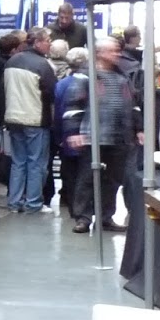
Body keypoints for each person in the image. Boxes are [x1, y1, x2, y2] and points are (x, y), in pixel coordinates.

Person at [67, 41, 145, 271]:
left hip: (119, 137)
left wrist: (138, 129)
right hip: (92, 135)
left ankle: (106, 216)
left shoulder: (124, 79)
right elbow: (74, 105)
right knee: (87, 178)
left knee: (113, 179)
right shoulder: (85, 77)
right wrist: (73, 131)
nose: (117, 54)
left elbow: (134, 106)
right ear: (100, 53)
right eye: (112, 50)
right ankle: (83, 217)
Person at [3, 27, 55, 213]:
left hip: (13, 118)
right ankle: (33, 203)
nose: (50, 43)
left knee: (18, 162)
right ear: (37, 42)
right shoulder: (42, 65)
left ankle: (14, 202)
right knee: (36, 163)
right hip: (35, 119)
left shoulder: (11, 61)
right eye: (48, 40)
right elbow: (51, 92)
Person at [54, 47, 92, 232]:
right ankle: (83, 209)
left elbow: (58, 112)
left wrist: (59, 136)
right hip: (85, 136)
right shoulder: (89, 83)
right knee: (85, 176)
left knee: (69, 173)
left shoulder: (61, 84)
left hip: (67, 137)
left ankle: (71, 205)